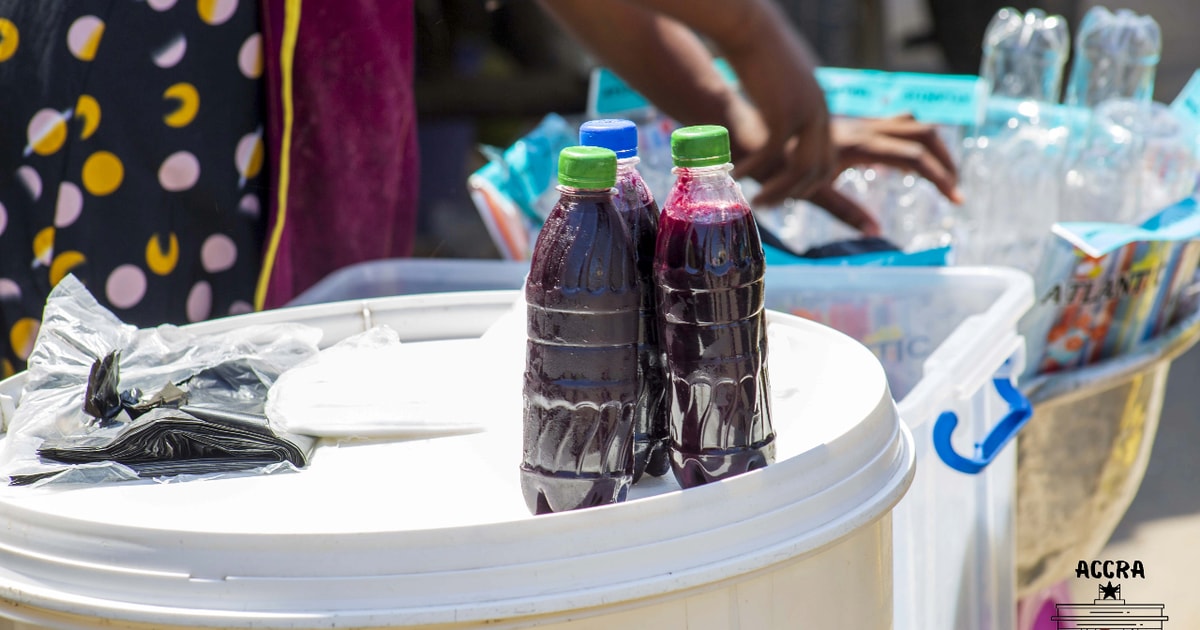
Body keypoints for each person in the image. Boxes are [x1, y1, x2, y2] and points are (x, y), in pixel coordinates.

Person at [0, 0, 957, 376]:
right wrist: (749, 38)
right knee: (133, 423)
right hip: (161, 95)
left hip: (122, 83)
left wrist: (720, 109)